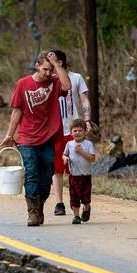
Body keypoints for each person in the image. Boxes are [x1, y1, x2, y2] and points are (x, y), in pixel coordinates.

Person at [2, 51, 71, 226]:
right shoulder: (23, 84)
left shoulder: (55, 83)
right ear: (37, 66)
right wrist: (10, 135)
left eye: (51, 70)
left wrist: (57, 65)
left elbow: (67, 86)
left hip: (48, 137)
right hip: (27, 138)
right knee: (32, 174)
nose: (48, 73)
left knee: (47, 176)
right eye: (45, 69)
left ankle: (39, 206)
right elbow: (16, 111)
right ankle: (32, 212)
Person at [47, 50, 92, 217]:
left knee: (76, 167)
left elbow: (84, 100)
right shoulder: (49, 80)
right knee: (57, 168)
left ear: (64, 63)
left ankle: (79, 200)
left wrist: (87, 120)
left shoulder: (76, 77)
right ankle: (59, 202)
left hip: (74, 129)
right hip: (56, 129)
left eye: (56, 63)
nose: (53, 67)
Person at [62, 119, 96, 224]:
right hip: (74, 175)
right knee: (74, 196)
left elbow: (92, 158)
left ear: (85, 132)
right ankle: (76, 216)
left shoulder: (88, 144)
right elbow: (64, 154)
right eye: (75, 131)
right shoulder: (69, 144)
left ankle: (86, 208)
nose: (77, 133)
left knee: (86, 196)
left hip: (85, 175)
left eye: (80, 130)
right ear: (71, 133)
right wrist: (65, 159)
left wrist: (81, 152)